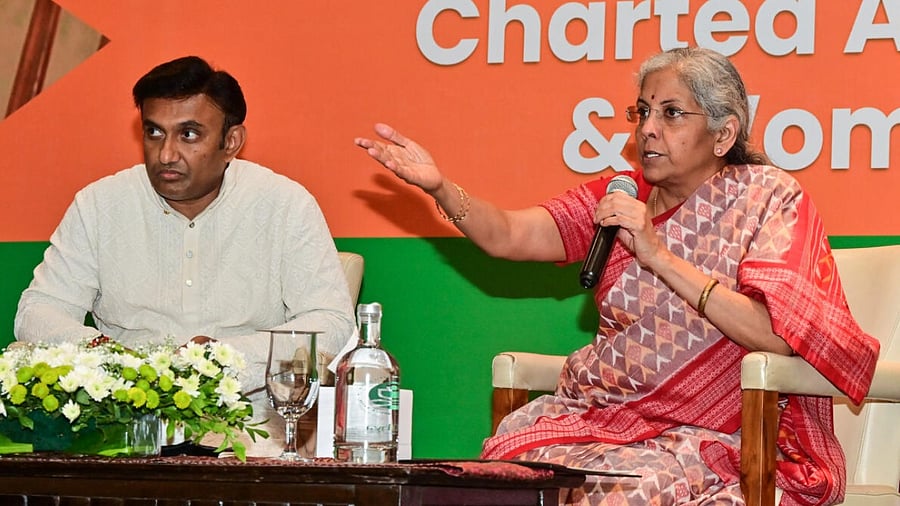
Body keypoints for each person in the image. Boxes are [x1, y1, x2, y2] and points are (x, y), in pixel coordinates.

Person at [355, 47, 879, 505]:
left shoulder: (769, 200)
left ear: (723, 134)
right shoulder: (621, 195)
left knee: (627, 490)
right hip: (603, 420)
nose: (648, 129)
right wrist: (441, 187)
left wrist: (657, 255)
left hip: (719, 435)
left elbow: (777, 335)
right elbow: (509, 235)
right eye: (644, 111)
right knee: (514, 472)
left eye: (672, 114)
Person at [14, 55, 357, 456]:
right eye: (154, 132)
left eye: (189, 135)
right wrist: (107, 356)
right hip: (122, 429)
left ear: (231, 142)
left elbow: (331, 324)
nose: (166, 154)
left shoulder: (283, 204)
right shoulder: (100, 205)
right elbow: (37, 311)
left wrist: (220, 360)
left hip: (248, 429)